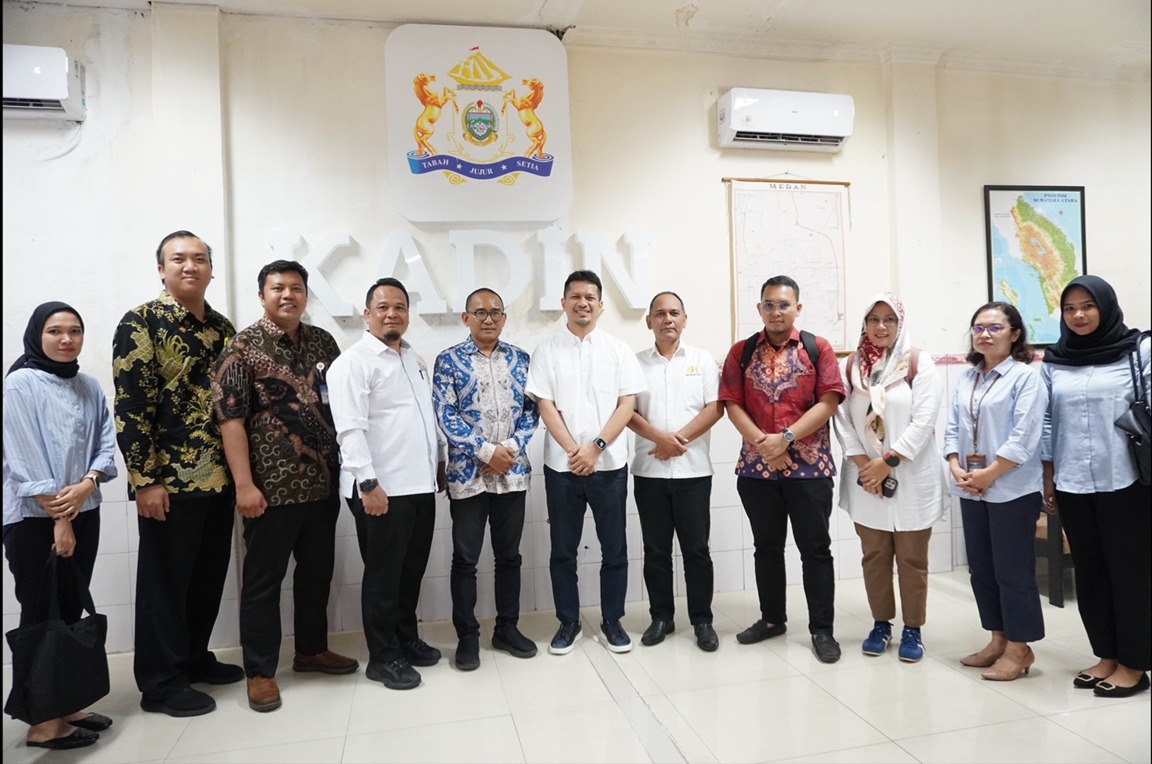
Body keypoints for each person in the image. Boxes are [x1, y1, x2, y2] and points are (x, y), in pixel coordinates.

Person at [211, 260, 359, 713]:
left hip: (321, 484)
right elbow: (230, 420)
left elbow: (343, 405)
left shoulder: (322, 342)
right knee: (263, 582)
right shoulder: (242, 347)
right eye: (278, 288)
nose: (288, 296)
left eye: (296, 288)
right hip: (270, 490)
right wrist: (244, 485)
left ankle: (311, 650)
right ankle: (259, 671)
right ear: (262, 295)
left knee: (316, 574)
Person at [113, 230, 242, 717]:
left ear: (211, 268)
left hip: (220, 478)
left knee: (207, 577)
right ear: (162, 269)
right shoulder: (141, 322)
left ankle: (193, 658)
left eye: (200, 259)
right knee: (165, 583)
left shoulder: (222, 327)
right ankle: (161, 683)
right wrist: (145, 480)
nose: (191, 266)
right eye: (179, 259)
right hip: (169, 482)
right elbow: (131, 405)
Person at [3, 302, 118, 750]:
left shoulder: (88, 386)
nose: (66, 339)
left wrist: (89, 484)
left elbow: (105, 445)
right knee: (41, 613)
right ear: (37, 335)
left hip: (84, 509)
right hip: (36, 519)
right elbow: (24, 457)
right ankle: (42, 722)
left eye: (74, 331)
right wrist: (60, 519)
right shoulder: (20, 384)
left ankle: (65, 703)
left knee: (69, 608)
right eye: (55, 331)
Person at [327, 277, 447, 690]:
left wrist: (440, 462)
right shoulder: (354, 362)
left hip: (419, 486)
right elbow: (349, 430)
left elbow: (422, 419)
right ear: (367, 314)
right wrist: (368, 484)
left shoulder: (412, 358)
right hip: (381, 490)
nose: (392, 313)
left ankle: (406, 639)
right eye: (383, 307)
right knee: (383, 576)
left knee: (410, 571)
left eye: (399, 307)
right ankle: (383, 657)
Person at [718, 275, 845, 663]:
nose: (776, 311)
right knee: (766, 549)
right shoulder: (741, 352)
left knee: (816, 551)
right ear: (759, 309)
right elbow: (731, 404)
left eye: (784, 304)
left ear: (798, 308)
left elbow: (829, 401)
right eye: (769, 304)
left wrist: (785, 438)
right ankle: (772, 619)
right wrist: (765, 445)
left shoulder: (816, 348)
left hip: (810, 470)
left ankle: (822, 630)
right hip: (757, 472)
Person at [526, 270, 647, 655]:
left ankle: (613, 621)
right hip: (562, 469)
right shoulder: (545, 350)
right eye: (575, 296)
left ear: (600, 305)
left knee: (614, 548)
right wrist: (573, 452)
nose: (583, 302)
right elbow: (545, 405)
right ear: (563, 303)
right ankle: (568, 622)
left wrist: (595, 447)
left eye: (590, 297)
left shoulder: (618, 349)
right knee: (563, 550)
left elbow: (626, 404)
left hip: (609, 465)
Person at [1042, 275, 1150, 697]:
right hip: (1073, 480)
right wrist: (1048, 474)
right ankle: (1106, 654)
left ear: (1106, 306)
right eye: (1070, 309)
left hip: (1126, 479)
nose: (1079, 315)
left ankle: (1135, 663)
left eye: (1087, 306)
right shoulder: (1055, 360)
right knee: (1090, 572)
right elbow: (1049, 421)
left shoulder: (1137, 351)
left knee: (1129, 572)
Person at [432, 287, 540, 671]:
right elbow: (445, 414)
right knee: (466, 559)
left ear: (505, 318)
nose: (488, 318)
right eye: (480, 312)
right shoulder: (448, 361)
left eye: (496, 312)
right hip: (469, 474)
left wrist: (507, 448)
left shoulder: (521, 360)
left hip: (512, 471)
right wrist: (484, 451)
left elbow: (533, 411)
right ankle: (467, 636)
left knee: (509, 556)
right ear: (466, 318)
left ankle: (506, 629)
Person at [833, 294, 944, 662]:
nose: (881, 327)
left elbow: (924, 420)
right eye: (873, 320)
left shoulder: (917, 363)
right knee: (875, 556)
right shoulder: (851, 367)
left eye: (889, 320)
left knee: (912, 559)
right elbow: (842, 420)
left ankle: (914, 629)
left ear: (900, 324)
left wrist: (888, 462)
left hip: (911, 476)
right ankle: (881, 624)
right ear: (864, 324)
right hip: (866, 478)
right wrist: (867, 465)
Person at [944, 301, 1047, 682]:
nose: (984, 334)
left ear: (1014, 334)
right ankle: (998, 639)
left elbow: (1025, 436)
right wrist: (954, 464)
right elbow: (952, 425)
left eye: (994, 327)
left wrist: (991, 472)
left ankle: (1021, 648)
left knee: (1013, 571)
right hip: (971, 488)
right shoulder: (967, 378)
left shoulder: (1025, 377)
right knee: (982, 570)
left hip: (1012, 489)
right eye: (978, 328)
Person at [627, 291, 723, 652]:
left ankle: (703, 620)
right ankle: (661, 618)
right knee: (655, 550)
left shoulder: (702, 360)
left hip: (694, 472)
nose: (668, 319)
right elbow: (628, 411)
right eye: (660, 313)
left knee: (697, 550)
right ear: (648, 321)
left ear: (685, 319)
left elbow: (715, 409)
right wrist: (659, 439)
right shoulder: (633, 363)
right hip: (649, 471)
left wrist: (676, 440)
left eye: (674, 313)